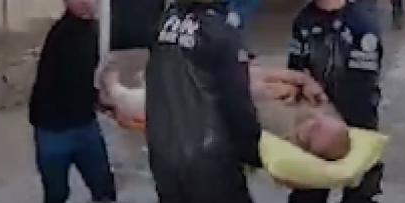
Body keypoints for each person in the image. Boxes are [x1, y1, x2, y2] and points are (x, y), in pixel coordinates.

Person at [144, 0, 263, 203]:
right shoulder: (221, 34)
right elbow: (237, 101)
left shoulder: (161, 26)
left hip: (163, 160)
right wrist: (254, 151)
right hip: (211, 161)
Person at [288, 0, 384, 203]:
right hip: (314, 129)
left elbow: (361, 88)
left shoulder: (362, 27)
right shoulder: (303, 22)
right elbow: (294, 71)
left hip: (356, 130)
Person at [28, 0, 126, 203]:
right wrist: (107, 102)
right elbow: (72, 80)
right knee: (56, 199)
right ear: (66, 0)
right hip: (52, 128)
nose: (85, 0)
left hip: (84, 125)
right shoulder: (61, 35)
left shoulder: (94, 31)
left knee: (104, 190)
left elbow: (91, 77)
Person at [100, 64, 352, 161]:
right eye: (321, 120)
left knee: (154, 102)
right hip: (238, 78)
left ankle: (115, 95)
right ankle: (120, 93)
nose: (314, 121)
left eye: (314, 131)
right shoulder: (315, 103)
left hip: (215, 102)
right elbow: (284, 76)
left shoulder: (282, 140)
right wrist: (300, 80)